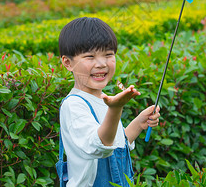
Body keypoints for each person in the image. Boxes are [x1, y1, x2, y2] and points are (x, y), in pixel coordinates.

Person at [57, 17, 161, 186]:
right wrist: (116, 108)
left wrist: (139, 123)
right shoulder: (74, 105)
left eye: (108, 55)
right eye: (90, 56)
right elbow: (101, 146)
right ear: (68, 63)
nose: (101, 64)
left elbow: (117, 143)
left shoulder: (103, 99)